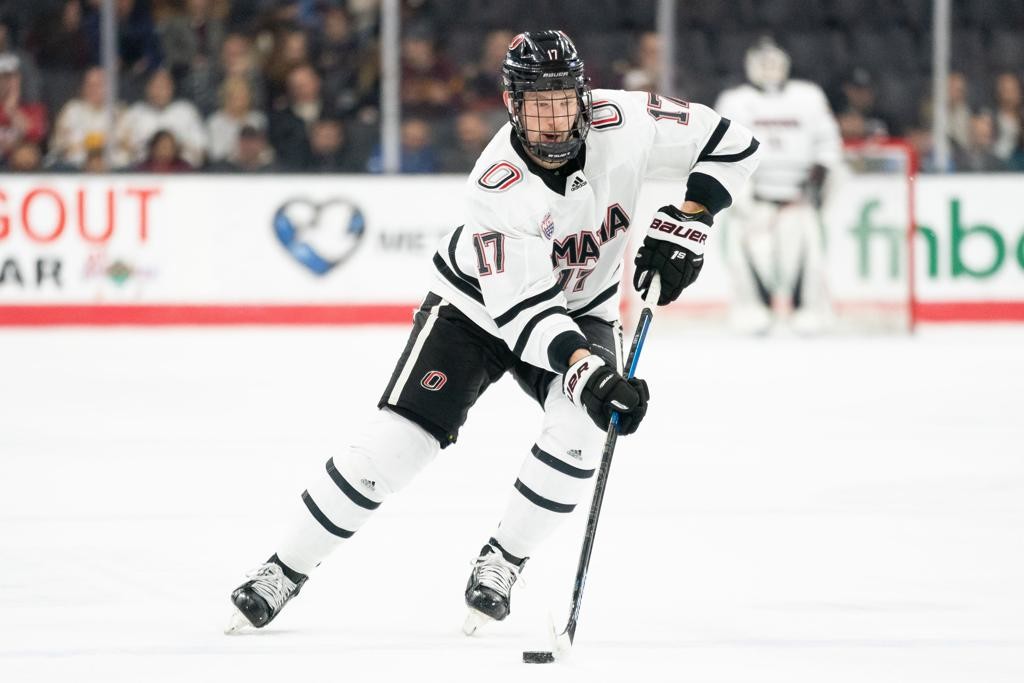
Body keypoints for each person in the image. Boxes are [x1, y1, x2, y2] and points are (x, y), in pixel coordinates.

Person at [226, 30, 759, 635]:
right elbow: (525, 315)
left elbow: (734, 147)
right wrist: (590, 372)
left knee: (582, 430)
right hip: (478, 309)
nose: (556, 124)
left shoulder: (629, 120)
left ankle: (503, 560)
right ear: (512, 107)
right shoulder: (496, 184)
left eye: (564, 104)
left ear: (585, 98)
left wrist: (691, 219)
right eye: (539, 108)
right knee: (398, 445)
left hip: (583, 304)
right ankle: (284, 569)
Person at [714, 37, 842, 334]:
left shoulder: (808, 97)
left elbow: (828, 142)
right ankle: (754, 307)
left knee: (807, 258)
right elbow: (722, 147)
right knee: (749, 257)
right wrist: (738, 189)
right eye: (764, 64)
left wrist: (820, 174)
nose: (770, 70)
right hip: (753, 196)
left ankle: (806, 308)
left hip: (799, 195)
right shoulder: (734, 100)